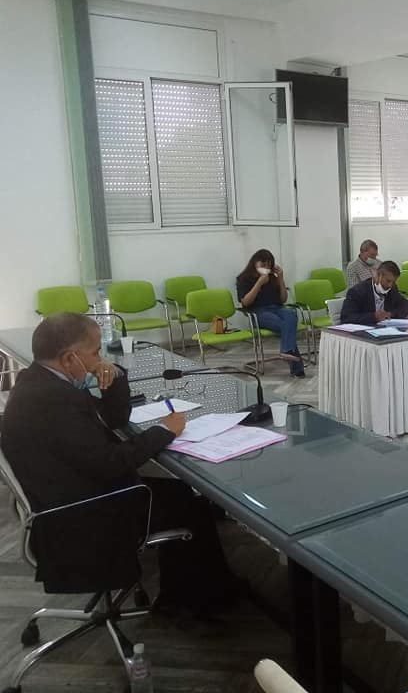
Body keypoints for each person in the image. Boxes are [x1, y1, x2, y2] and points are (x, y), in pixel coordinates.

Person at [0, 313, 240, 614]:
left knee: (176, 491)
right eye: (95, 352)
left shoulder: (39, 381)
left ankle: (193, 590)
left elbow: (111, 419)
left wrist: (115, 377)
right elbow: (113, 463)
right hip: (83, 515)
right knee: (187, 503)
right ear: (69, 358)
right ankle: (197, 602)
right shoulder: (55, 400)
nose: (99, 359)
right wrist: (165, 430)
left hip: (65, 496)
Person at [237, 248, 304, 377]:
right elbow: (245, 302)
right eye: (263, 264)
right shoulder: (244, 279)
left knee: (291, 313)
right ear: (254, 263)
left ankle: (286, 350)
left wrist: (281, 279)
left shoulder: (273, 278)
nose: (266, 267)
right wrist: (259, 283)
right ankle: (295, 364)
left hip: (277, 309)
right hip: (258, 313)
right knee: (287, 326)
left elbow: (283, 299)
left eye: (269, 264)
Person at [340, 261, 408, 326]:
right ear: (377, 275)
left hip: (386, 331)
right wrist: (374, 317)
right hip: (364, 334)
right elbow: (346, 318)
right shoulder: (357, 292)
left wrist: (390, 314)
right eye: (388, 281)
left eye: (393, 282)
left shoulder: (392, 289)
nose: (390, 285)